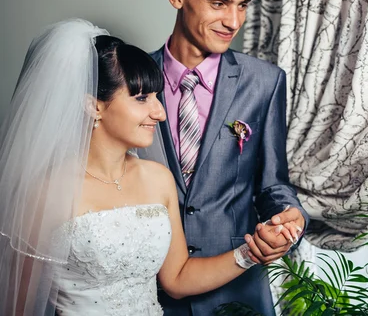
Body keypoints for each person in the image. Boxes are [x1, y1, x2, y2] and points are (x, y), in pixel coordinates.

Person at [0, 19, 281, 316]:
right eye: (142, 98)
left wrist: (250, 254)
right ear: (94, 105)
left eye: (157, 96)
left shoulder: (158, 179)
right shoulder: (47, 193)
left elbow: (177, 279)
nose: (159, 112)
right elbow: (21, 305)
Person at [150, 0, 309, 315]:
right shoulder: (132, 81)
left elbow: (273, 183)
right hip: (150, 287)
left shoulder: (265, 82)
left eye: (242, 6)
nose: (233, 22)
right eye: (219, 3)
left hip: (237, 290)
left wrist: (292, 218)